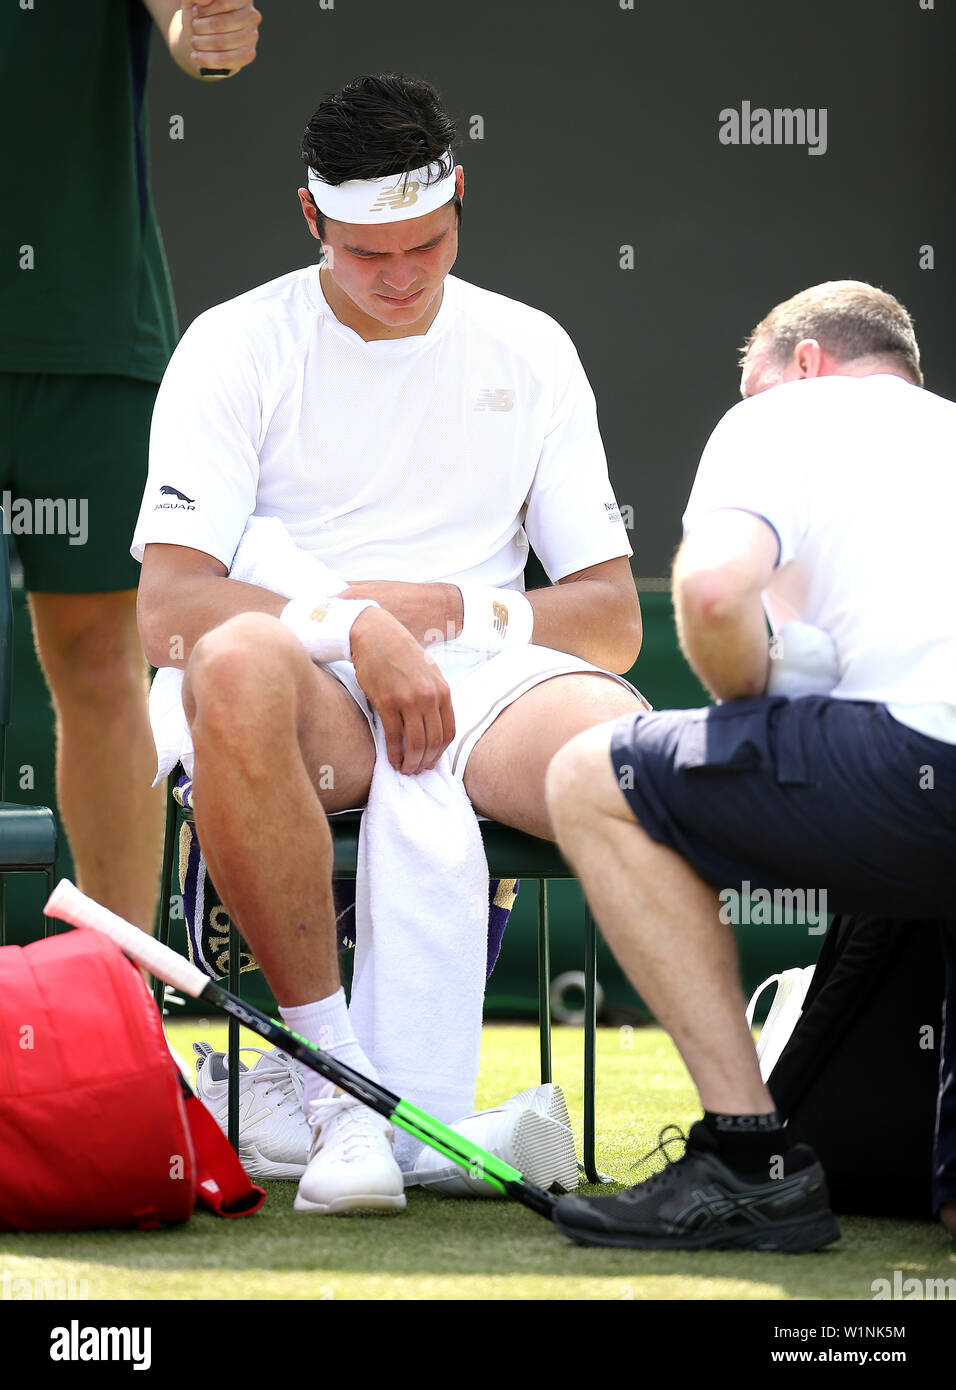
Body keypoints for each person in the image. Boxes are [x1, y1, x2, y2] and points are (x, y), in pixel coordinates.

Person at [131, 74, 647, 1214]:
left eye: (428, 241)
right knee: (230, 661)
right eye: (368, 252)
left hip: (480, 683)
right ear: (310, 220)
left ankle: (738, 1127)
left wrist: (454, 615)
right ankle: (337, 1095)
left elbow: (611, 620)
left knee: (624, 745)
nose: (403, 275)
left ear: (460, 196)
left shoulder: (532, 346)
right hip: (299, 677)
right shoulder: (233, 345)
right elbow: (168, 609)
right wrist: (350, 625)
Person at [545, 280, 956, 1251]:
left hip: (906, 765)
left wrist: (750, 702)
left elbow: (718, 586)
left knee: (583, 777)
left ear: (803, 361)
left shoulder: (780, 417)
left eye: (749, 385)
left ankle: (745, 1161)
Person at [0, 1, 261, 934]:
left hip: (94, 328)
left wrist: (207, 34)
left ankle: (116, 1002)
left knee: (102, 659)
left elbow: (194, 25)